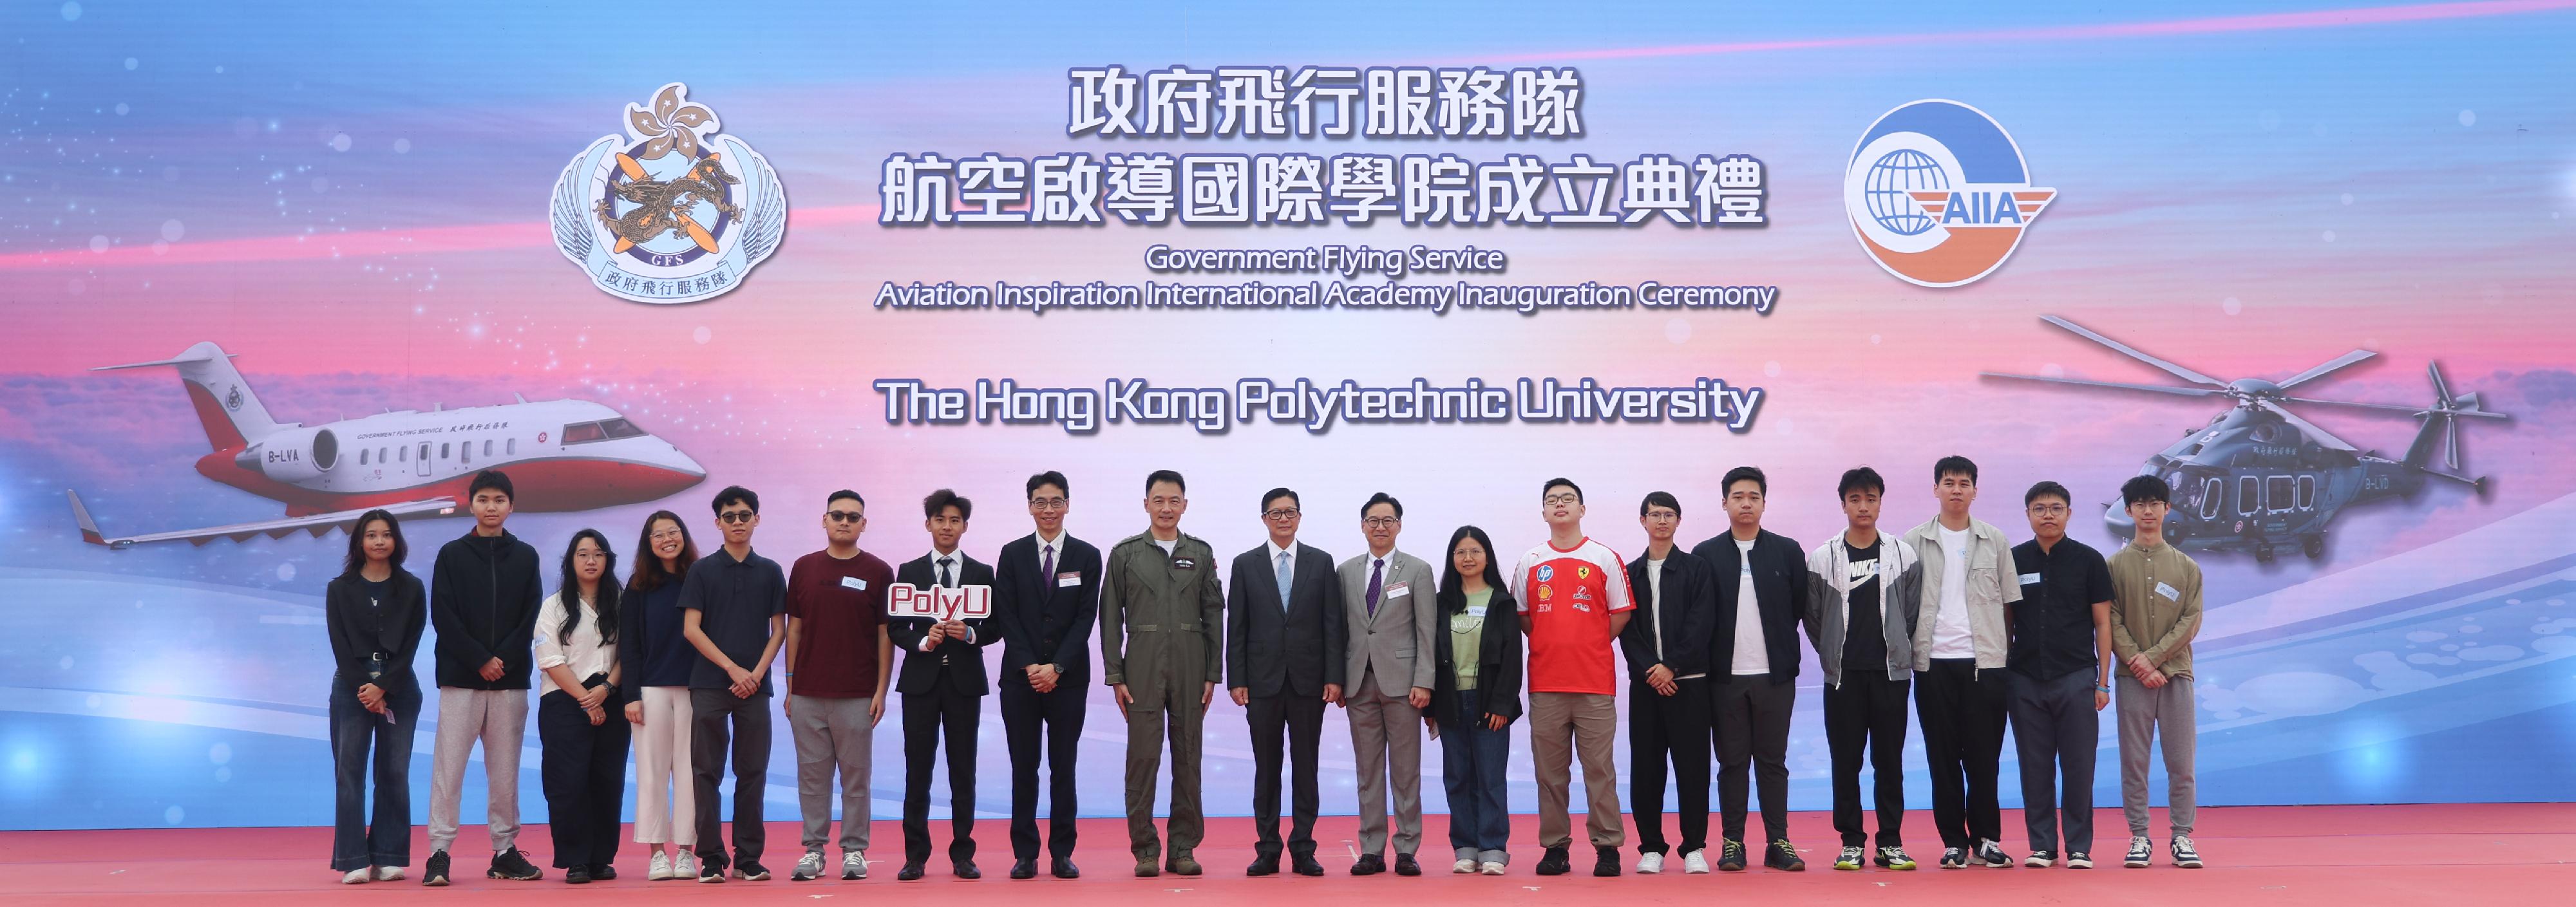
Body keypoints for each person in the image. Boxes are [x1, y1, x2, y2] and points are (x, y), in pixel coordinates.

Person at [1099, 469, 1225, 878]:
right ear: (1146, 504)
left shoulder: (1202, 554)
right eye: (1159, 500)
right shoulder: (1125, 554)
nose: (1166, 508)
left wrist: (1212, 673)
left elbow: (1213, 617)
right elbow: (1109, 620)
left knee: (1189, 758)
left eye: (1174, 501)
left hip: (1190, 665)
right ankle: (1146, 851)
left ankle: (1183, 849)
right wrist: (1115, 675)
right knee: (1143, 760)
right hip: (1142, 666)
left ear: (1185, 505)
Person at [1900, 456, 2023, 869]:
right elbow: (1900, 604)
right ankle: (1953, 841)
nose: (1956, 489)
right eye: (1949, 482)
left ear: (1975, 491)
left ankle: (1986, 838)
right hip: (1932, 664)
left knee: (1984, 758)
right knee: (1942, 757)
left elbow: (2009, 605)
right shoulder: (1913, 541)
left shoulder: (1995, 540)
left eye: (1964, 483)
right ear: (1935, 488)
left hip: (1984, 665)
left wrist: (2000, 657)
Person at [424, 469, 546, 884]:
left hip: (510, 681)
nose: (491, 507)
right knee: (449, 768)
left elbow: (531, 615)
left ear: (511, 506)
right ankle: (439, 851)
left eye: (499, 500)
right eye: (483, 499)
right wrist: (479, 659)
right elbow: (444, 615)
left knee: (506, 770)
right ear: (471, 504)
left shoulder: (527, 556)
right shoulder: (451, 554)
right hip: (461, 679)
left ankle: (505, 850)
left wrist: (503, 660)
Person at [1509, 477, 1633, 877]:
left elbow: (1620, 614)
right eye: (1552, 500)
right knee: (1550, 774)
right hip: (1546, 684)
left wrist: (1589, 643)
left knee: (1600, 770)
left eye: (1568, 499)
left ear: (1582, 509)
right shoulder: (1530, 560)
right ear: (1543, 512)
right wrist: (1555, 641)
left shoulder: (1604, 557)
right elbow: (1524, 617)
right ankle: (1555, 848)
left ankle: (1608, 848)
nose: (1560, 505)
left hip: (1594, 683)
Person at [1802, 467, 1924, 872]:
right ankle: (1851, 841)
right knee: (1846, 761)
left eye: (1870, 498)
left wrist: (1897, 651)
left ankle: (1890, 841)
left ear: (1880, 503)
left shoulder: (1903, 554)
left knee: (1889, 761)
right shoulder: (1823, 557)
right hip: (1843, 678)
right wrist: (1833, 654)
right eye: (1855, 499)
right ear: (1843, 505)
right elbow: (1814, 618)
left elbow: (1912, 614)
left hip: (1890, 675)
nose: (1863, 506)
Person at [1690, 466, 1810, 872]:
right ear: (1724, 502)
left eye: (1753, 496)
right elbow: (1701, 615)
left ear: (1763, 502)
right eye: (1738, 496)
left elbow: (1797, 607)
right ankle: (1733, 843)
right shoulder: (1705, 554)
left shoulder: (1787, 550)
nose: (1746, 503)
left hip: (1774, 676)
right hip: (1724, 678)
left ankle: (1779, 842)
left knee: (1773, 761)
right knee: (1733, 762)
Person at [1226, 487, 1345, 877]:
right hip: (1261, 682)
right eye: (1275, 513)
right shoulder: (1246, 564)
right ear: (1264, 519)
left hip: (1310, 682)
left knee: (1306, 766)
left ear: (1299, 517)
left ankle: (1304, 848)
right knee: (1267, 767)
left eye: (1289, 512)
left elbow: (1333, 624)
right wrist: (1237, 679)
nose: (1283, 519)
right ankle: (1267, 848)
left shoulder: (1320, 562)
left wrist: (1334, 677)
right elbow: (1238, 627)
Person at [992, 471, 1101, 880]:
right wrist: (1030, 666)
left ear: (1067, 505)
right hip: (1021, 680)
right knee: (1024, 767)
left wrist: (1056, 668)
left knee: (1063, 767)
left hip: (1068, 680)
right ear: (1030, 507)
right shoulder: (1012, 553)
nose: (1049, 510)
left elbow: (1086, 617)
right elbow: (1007, 614)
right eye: (1041, 502)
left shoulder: (1087, 556)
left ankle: (1062, 852)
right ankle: (1025, 853)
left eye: (1056, 502)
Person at [782, 491, 895, 883]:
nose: (844, 522)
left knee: (855, 778)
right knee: (812, 779)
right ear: (824, 520)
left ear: (864, 524)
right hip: (808, 693)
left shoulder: (879, 571)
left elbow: (886, 635)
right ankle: (814, 851)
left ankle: (854, 851)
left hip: (858, 694)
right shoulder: (804, 567)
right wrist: (790, 684)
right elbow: (793, 628)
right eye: (837, 515)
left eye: (853, 516)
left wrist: (882, 690)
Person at [680, 485, 790, 883]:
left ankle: (748, 858)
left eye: (745, 515)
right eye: (730, 517)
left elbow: (779, 630)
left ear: (757, 519)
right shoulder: (702, 570)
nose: (738, 523)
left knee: (753, 771)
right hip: (709, 684)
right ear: (718, 523)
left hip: (756, 688)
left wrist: (756, 674)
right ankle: (711, 857)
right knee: (705, 771)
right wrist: (733, 669)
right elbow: (691, 629)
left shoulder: (771, 571)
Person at [2009, 481, 2117, 870]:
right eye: (2039, 508)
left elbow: (2103, 624)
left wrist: (2103, 681)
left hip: (2076, 676)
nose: (2048, 515)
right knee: (2033, 765)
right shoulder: (2014, 559)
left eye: (2056, 508)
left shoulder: (2089, 560)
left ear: (2069, 513)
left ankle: (2078, 847)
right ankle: (2041, 845)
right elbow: (2006, 623)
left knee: (2078, 765)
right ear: (2028, 515)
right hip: (2024, 678)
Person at [892, 489, 998, 881]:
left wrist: (969, 633)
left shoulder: (982, 573)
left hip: (964, 683)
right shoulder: (909, 571)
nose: (947, 527)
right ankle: (915, 856)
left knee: (962, 770)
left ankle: (963, 855)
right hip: (920, 683)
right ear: (928, 525)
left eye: (955, 520)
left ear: (965, 527)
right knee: (917, 769)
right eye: (940, 520)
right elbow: (895, 627)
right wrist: (923, 641)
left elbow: (996, 627)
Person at [1338, 491, 1439, 877]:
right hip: (1359, 683)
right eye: (1373, 521)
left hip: (1404, 685)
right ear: (1362, 525)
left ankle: (1407, 848)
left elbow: (1426, 630)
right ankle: (1372, 849)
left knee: (1406, 771)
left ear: (1399, 525)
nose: (1380, 527)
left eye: (1388, 521)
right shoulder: (1346, 571)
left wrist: (1425, 681)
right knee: (1368, 771)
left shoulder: (1418, 570)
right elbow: (1341, 630)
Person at [2108, 475, 2206, 870]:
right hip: (2132, 679)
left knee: (2181, 762)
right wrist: (2137, 662)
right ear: (2129, 510)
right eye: (2139, 504)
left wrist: (2155, 659)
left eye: (2155, 503)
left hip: (2176, 676)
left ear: (2167, 509)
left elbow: (2191, 621)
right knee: (2135, 762)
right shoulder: (2112, 567)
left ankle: (2182, 837)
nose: (2148, 511)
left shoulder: (2187, 567)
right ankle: (2139, 837)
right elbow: (2110, 620)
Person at [1617, 491, 1716, 875]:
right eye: (1654, 514)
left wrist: (1671, 666)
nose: (1661, 521)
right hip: (1646, 687)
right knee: (1646, 768)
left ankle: (1693, 847)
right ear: (1642, 521)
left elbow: (1701, 623)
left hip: (1689, 684)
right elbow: (1627, 631)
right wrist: (1651, 671)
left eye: (1668, 515)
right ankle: (1652, 848)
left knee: (1693, 767)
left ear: (1679, 521)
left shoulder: (1697, 569)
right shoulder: (1630, 573)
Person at [326, 510, 426, 884]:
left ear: (396, 541)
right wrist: (365, 690)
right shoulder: (340, 588)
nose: (380, 541)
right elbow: (340, 646)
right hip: (350, 688)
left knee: (394, 772)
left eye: (387, 535)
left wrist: (384, 686)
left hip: (399, 687)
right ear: (359, 542)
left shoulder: (412, 587)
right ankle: (352, 858)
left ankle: (388, 855)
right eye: (372, 535)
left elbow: (412, 645)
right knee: (348, 772)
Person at [534, 529, 630, 884]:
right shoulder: (554, 605)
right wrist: (585, 699)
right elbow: (550, 660)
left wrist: (605, 690)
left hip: (611, 695)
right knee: (567, 782)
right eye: (583, 554)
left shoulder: (621, 602)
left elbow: (629, 653)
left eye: (598, 554)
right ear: (570, 561)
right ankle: (575, 859)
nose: (591, 561)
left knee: (607, 780)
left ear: (608, 560)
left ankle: (601, 858)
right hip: (564, 699)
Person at [1429, 526, 1520, 876]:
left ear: (1487, 557)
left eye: (1475, 551)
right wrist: (1431, 707)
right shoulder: (1442, 603)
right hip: (1450, 701)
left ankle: (1494, 848)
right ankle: (1465, 848)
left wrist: (1502, 705)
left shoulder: (1501, 601)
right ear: (1452, 559)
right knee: (1458, 777)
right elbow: (1432, 655)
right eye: (1460, 552)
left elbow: (1513, 659)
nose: (1467, 558)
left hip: (1489, 702)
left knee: (1491, 778)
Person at [620, 510, 702, 882]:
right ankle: (657, 854)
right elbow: (630, 647)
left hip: (694, 692)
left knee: (689, 773)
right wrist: (631, 696)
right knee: (652, 774)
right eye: (658, 535)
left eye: (674, 532)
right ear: (648, 543)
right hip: (650, 691)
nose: (667, 539)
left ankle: (686, 851)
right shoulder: (638, 587)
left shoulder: (700, 578)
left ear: (683, 535)